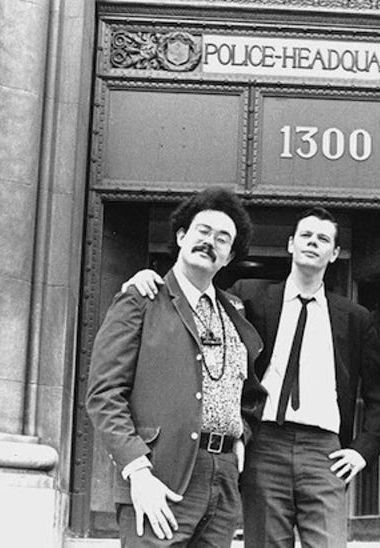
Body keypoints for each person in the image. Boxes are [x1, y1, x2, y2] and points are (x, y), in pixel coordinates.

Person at [125, 206, 380, 547]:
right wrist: (147, 279)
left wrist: (362, 450)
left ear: (335, 253)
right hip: (265, 444)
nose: (313, 243)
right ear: (290, 244)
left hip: (324, 450)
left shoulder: (355, 318)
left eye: (323, 239)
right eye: (306, 236)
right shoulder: (249, 297)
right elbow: (193, 287)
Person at [86, 187, 266, 547]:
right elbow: (104, 395)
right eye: (202, 231)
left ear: (229, 256)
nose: (209, 242)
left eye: (222, 238)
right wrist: (137, 471)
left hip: (224, 477)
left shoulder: (235, 311)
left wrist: (241, 435)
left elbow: (249, 392)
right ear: (182, 236)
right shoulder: (141, 298)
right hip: (160, 473)